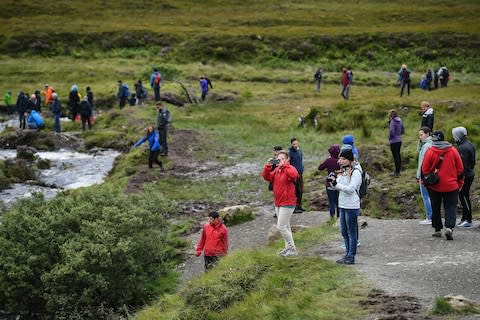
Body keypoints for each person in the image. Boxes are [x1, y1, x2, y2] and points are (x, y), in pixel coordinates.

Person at [422, 131, 464, 240]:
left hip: (434, 186)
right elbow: (460, 169)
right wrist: (460, 183)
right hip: (451, 185)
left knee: (435, 207)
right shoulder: (453, 150)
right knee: (450, 206)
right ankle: (449, 228)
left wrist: (425, 182)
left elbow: (425, 169)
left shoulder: (430, 151)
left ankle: (437, 229)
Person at [327, 149, 362, 265]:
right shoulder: (343, 171)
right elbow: (337, 186)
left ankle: (351, 256)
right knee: (344, 232)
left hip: (352, 206)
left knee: (351, 232)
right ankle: (347, 254)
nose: (340, 161)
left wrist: (336, 184)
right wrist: (330, 183)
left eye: (343, 159)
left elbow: (351, 189)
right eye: (340, 158)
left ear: (350, 160)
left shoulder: (356, 172)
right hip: (342, 205)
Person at [262, 150, 299, 257]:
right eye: (279, 159)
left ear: (287, 159)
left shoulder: (290, 168)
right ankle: (288, 248)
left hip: (288, 202)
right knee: (286, 227)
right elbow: (267, 177)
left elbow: (293, 175)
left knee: (281, 227)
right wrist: (268, 165)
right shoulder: (277, 170)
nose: (280, 161)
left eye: (283, 158)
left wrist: (285, 166)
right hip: (278, 202)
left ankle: (292, 249)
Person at [452, 127, 476, 228]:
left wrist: (459, 177)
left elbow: (462, 166)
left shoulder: (462, 148)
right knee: (464, 195)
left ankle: (468, 219)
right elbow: (472, 162)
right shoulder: (469, 144)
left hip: (465, 175)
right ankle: (464, 218)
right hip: (470, 173)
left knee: (464, 196)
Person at [318, 144, 341, 220]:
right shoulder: (341, 161)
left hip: (330, 184)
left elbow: (320, 168)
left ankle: (332, 219)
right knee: (338, 202)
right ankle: (339, 218)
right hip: (339, 184)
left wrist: (327, 159)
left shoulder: (329, 160)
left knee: (332, 202)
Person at [417, 127, 433, 225]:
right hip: (429, 174)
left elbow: (422, 161)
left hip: (424, 174)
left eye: (421, 134)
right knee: (429, 195)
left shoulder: (427, 145)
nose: (420, 137)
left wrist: (419, 175)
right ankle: (431, 216)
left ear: (427, 134)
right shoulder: (428, 144)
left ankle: (429, 217)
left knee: (425, 196)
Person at [289, 138, 305, 213]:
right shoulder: (289, 153)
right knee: (295, 191)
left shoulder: (299, 151)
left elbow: (300, 161)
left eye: (296, 143)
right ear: (291, 144)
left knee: (301, 191)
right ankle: (294, 207)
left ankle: (299, 206)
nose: (295, 145)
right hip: (294, 175)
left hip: (300, 174)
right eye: (294, 144)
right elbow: (289, 164)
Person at [267, 145, 283, 218]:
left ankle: (280, 212)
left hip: (281, 181)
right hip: (274, 180)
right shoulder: (273, 159)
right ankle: (277, 212)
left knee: (281, 196)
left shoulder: (283, 159)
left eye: (275, 151)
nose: (274, 152)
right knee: (276, 197)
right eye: (273, 151)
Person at [388, 109, 405, 177]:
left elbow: (392, 131)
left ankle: (397, 172)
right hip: (399, 140)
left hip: (393, 141)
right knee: (398, 155)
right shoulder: (400, 120)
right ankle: (398, 171)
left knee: (395, 156)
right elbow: (403, 129)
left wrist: (390, 137)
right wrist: (399, 135)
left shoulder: (392, 121)